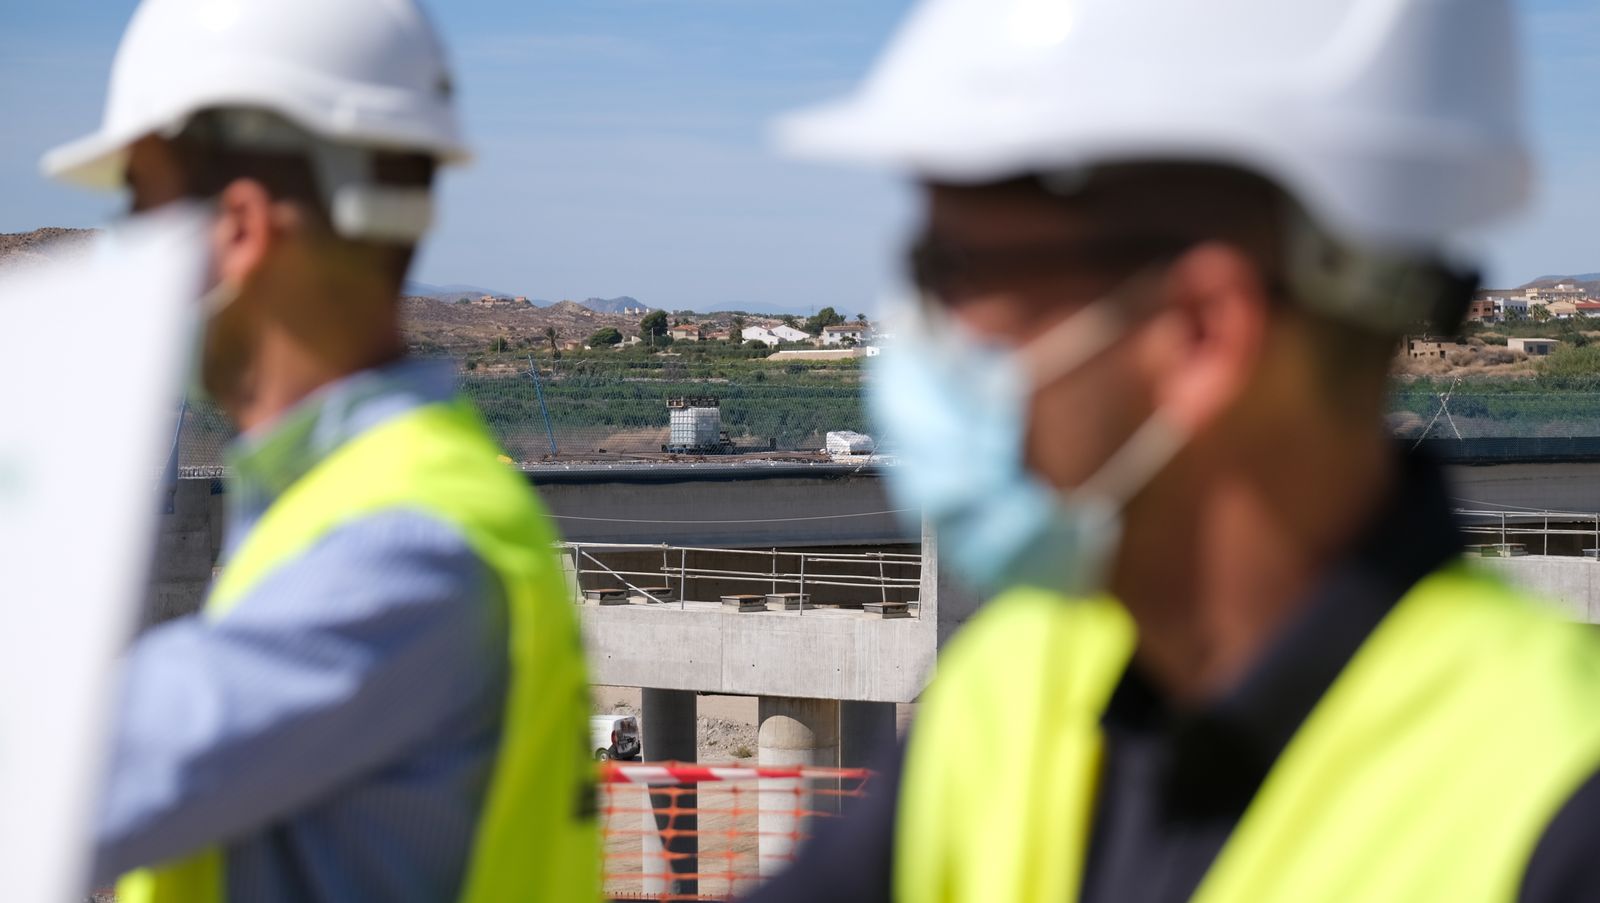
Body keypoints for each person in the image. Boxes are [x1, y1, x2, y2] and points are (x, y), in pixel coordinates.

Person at [750, 0, 1600, 900]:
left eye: (952, 270)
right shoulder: (1015, 686)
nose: (916, 336)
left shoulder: (1560, 810)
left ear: (1198, 333)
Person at [42, 1, 598, 900]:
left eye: (137, 208)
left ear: (238, 229)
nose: (120, 255)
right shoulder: (354, 498)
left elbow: (58, 787)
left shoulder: (397, 544)